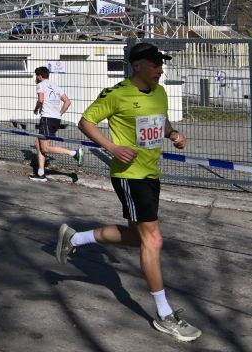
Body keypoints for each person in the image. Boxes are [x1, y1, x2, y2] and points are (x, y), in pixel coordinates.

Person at [55, 42, 200, 342]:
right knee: (153, 240)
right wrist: (112, 147)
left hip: (151, 173)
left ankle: (76, 238)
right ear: (137, 65)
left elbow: (161, 120)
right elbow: (85, 122)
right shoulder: (117, 94)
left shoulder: (160, 93)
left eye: (161, 64)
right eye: (155, 64)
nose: (161, 69)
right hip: (129, 176)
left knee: (137, 238)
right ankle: (164, 315)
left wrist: (173, 134)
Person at [29, 66, 84, 181]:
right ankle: (41, 174)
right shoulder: (55, 86)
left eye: (36, 76)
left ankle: (74, 153)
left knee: (45, 148)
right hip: (55, 119)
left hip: (47, 119)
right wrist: (60, 113)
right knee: (38, 144)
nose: (36, 78)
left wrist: (36, 109)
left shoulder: (40, 85)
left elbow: (40, 100)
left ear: (39, 76)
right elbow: (67, 102)